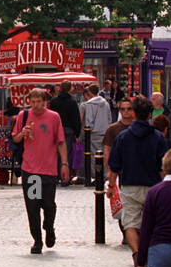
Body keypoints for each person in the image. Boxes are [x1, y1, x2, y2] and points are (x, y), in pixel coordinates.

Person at [107, 95, 171, 257]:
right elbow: (163, 166)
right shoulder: (158, 138)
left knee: (130, 224)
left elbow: (114, 164)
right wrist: (167, 185)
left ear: (134, 113)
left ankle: (136, 253)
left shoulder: (123, 137)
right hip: (153, 186)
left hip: (130, 185)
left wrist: (110, 186)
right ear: (150, 114)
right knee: (152, 222)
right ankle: (148, 252)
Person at [12, 88, 68, 254]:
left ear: (45, 102)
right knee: (33, 206)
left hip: (49, 169)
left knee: (49, 205)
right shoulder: (24, 116)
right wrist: (22, 133)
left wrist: (64, 163)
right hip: (30, 170)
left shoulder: (53, 117)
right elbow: (14, 138)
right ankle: (37, 240)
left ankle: (49, 227)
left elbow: (61, 142)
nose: (35, 105)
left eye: (39, 102)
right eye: (33, 101)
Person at [49, 82, 81, 185]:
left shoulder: (54, 101)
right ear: (70, 89)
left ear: (60, 88)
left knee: (56, 152)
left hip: (55, 129)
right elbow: (76, 118)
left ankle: (57, 175)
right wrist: (77, 133)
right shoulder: (72, 102)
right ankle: (66, 177)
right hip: (69, 129)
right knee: (68, 153)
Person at [80, 84, 112, 186]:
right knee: (104, 155)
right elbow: (109, 118)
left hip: (94, 133)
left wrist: (87, 131)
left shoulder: (90, 104)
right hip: (105, 131)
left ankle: (97, 176)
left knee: (94, 156)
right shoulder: (105, 103)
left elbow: (89, 121)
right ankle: (105, 175)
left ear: (89, 92)